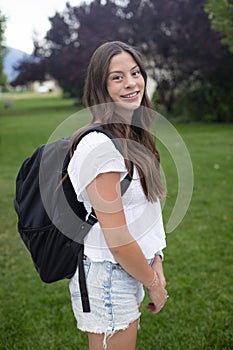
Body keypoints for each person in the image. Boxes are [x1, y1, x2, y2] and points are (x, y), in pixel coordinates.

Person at [67, 41, 168, 350]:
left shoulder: (131, 133)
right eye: (117, 77)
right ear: (101, 86)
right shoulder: (101, 147)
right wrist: (154, 285)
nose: (131, 83)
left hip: (130, 267)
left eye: (135, 73)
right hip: (107, 273)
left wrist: (156, 262)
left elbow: (145, 211)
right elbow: (118, 238)